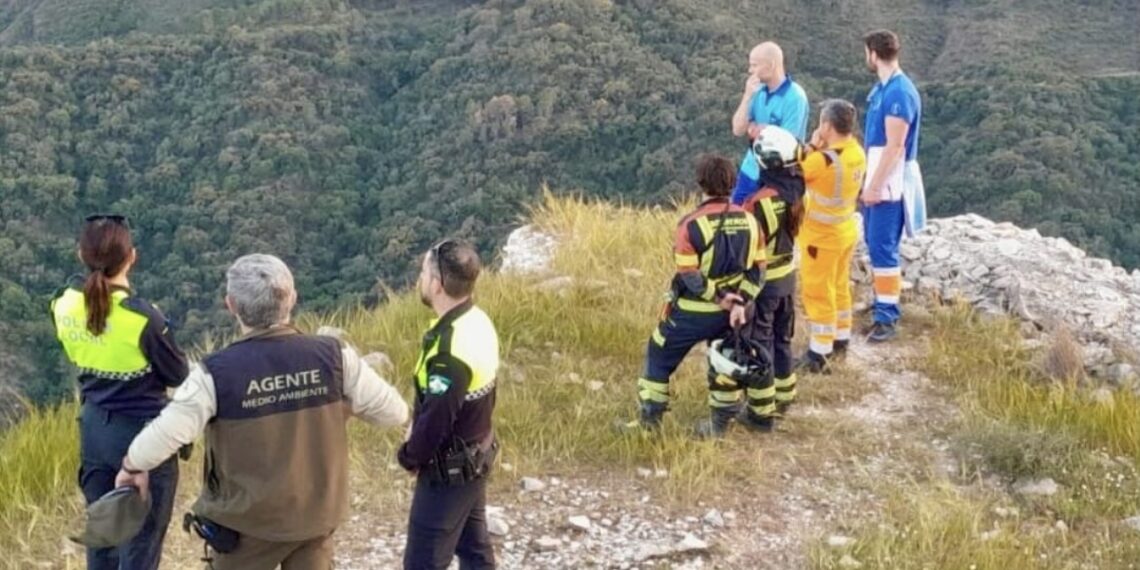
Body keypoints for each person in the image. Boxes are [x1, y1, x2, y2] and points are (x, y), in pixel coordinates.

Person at [115, 253, 409, 569]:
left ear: (231, 305)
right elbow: (394, 412)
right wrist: (346, 409)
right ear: (292, 298)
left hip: (247, 527)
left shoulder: (215, 374)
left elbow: (167, 433)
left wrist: (133, 466)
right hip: (315, 519)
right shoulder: (335, 357)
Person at [51, 213, 188, 570]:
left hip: (94, 428)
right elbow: (177, 373)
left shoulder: (62, 305)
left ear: (81, 254)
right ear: (132, 257)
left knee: (104, 537)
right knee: (141, 543)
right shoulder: (143, 318)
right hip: (144, 434)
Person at [621, 154, 766, 437]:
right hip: (735, 312)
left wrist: (718, 297)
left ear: (701, 184)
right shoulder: (751, 222)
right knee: (724, 357)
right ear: (733, 183)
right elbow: (759, 270)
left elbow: (689, 274)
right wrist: (739, 301)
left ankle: (649, 423)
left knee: (658, 354)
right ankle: (719, 426)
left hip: (693, 311)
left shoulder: (690, 224)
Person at [398, 239, 500, 569]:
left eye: (423, 273)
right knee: (474, 550)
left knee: (423, 561)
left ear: (437, 285)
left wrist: (410, 455)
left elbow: (437, 421)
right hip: (476, 453)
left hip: (449, 472)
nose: (420, 279)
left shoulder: (449, 352)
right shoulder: (477, 321)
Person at [861, 29, 926, 342]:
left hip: (890, 182)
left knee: (883, 247)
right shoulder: (883, 89)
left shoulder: (899, 93)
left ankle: (887, 316)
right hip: (877, 174)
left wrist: (874, 185)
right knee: (874, 244)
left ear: (873, 53)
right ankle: (880, 303)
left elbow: (895, 146)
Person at [796, 100, 868, 372]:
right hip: (845, 230)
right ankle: (841, 337)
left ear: (826, 125)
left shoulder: (822, 160)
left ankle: (819, 352)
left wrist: (813, 145)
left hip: (821, 237)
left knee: (818, 291)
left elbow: (793, 173)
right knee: (839, 286)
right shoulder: (856, 153)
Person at [741, 127, 806, 425]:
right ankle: (784, 395)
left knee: (760, 341)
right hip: (787, 278)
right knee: (782, 338)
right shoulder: (797, 190)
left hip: (764, 282)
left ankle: (761, 410)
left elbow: (748, 247)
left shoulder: (758, 203)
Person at [730, 41, 810, 205]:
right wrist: (747, 96)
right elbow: (738, 129)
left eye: (754, 65)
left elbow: (786, 143)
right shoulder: (757, 91)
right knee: (738, 220)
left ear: (771, 65)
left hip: (777, 177)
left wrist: (761, 130)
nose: (750, 70)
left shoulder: (795, 97)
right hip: (750, 170)